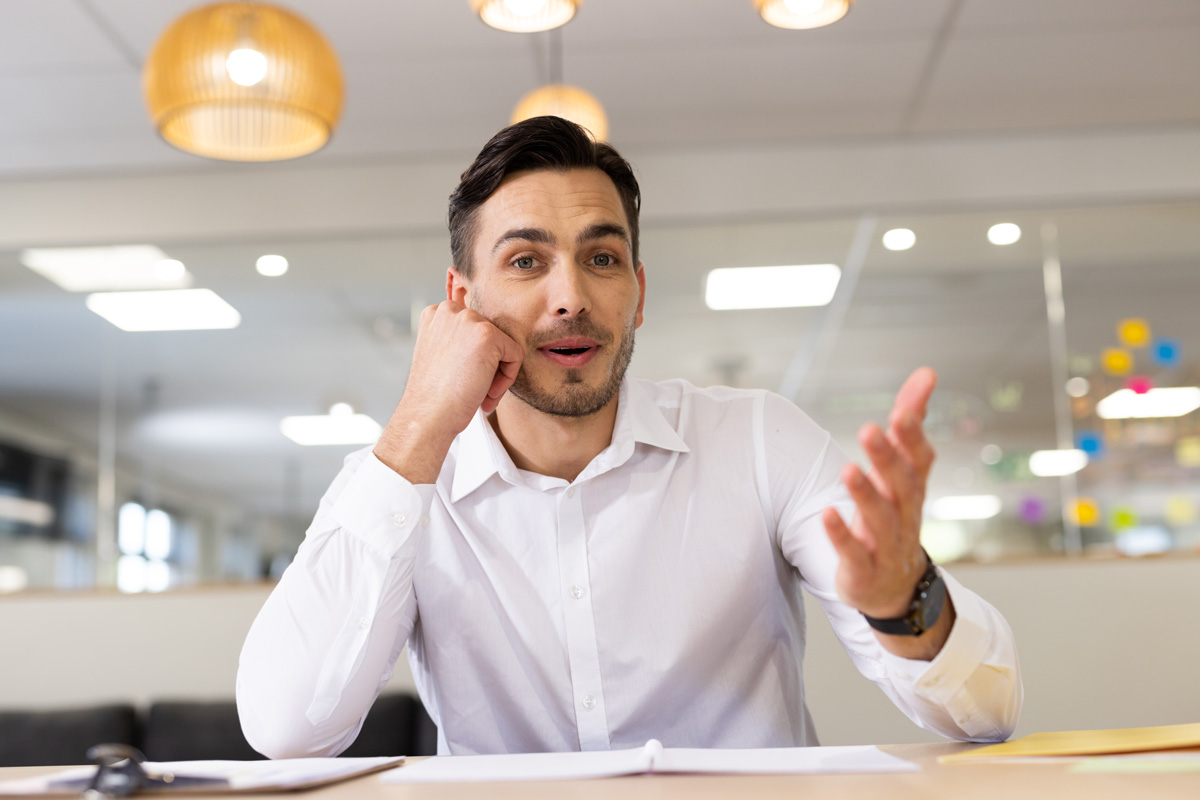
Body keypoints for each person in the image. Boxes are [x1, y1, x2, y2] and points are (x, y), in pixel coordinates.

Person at [237, 116, 1022, 758]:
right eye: (525, 261)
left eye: (602, 258)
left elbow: (986, 711)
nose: (570, 297)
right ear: (460, 301)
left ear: (637, 293)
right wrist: (417, 425)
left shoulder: (757, 440)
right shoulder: (400, 479)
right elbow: (287, 732)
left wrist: (905, 604)